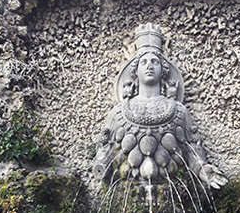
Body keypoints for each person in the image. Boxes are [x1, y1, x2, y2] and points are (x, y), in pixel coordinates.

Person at [93, 24, 227, 189]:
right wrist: (100, 165)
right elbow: (107, 150)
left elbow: (191, 148)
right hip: (128, 191)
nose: (149, 66)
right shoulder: (118, 113)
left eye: (154, 62)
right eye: (143, 62)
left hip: (171, 190)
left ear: (163, 69)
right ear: (135, 70)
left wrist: (203, 169)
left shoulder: (179, 111)